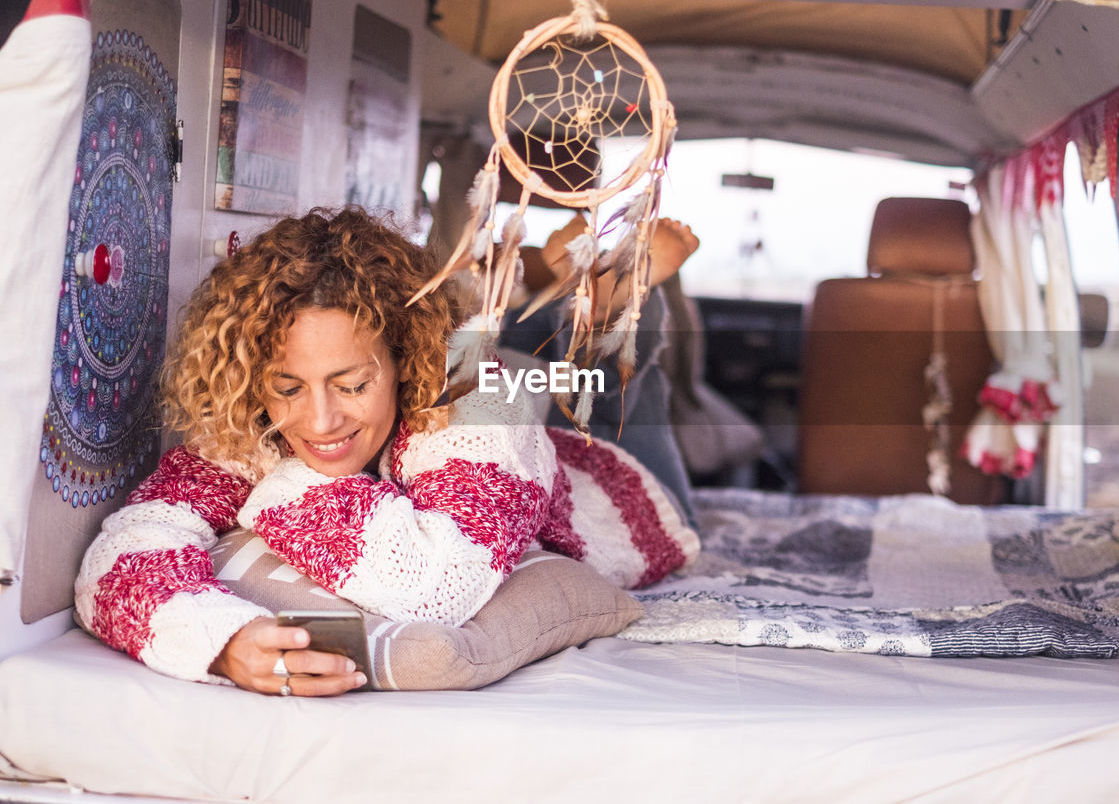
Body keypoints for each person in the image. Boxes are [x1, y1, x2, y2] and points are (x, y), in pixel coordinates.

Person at [75, 207, 700, 697]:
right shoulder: (253, 423)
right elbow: (119, 555)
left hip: (618, 496)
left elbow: (438, 588)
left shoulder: (484, 417)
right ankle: (551, 282)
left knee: (592, 385)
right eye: (286, 386)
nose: (319, 420)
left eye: (352, 385)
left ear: (405, 360)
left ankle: (622, 296)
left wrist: (282, 484)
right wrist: (223, 640)